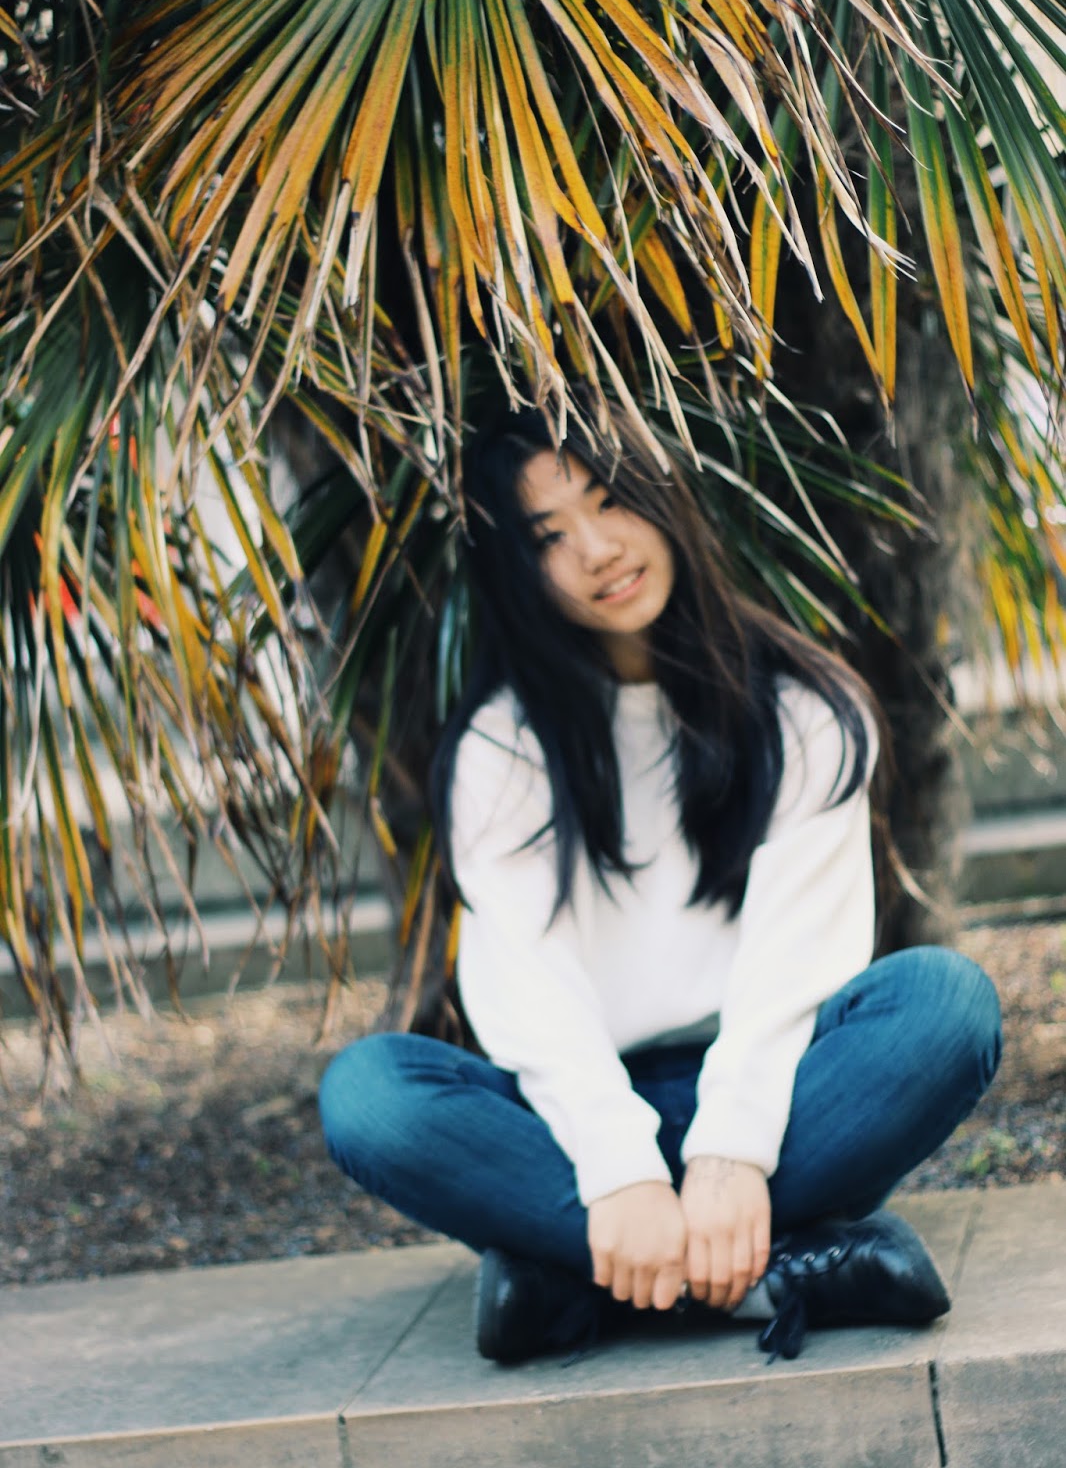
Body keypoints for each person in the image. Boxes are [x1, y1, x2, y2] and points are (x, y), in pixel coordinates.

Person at [319, 409, 1002, 1366]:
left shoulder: (805, 708)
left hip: (781, 1093)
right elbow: (531, 990)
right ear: (516, 571)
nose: (597, 549)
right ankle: (779, 1272)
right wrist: (620, 1172)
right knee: (369, 1094)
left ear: (661, 495)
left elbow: (794, 965)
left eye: (608, 502)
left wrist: (729, 1157)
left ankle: (577, 1283)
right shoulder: (502, 750)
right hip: (576, 1117)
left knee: (946, 1004)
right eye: (549, 537)